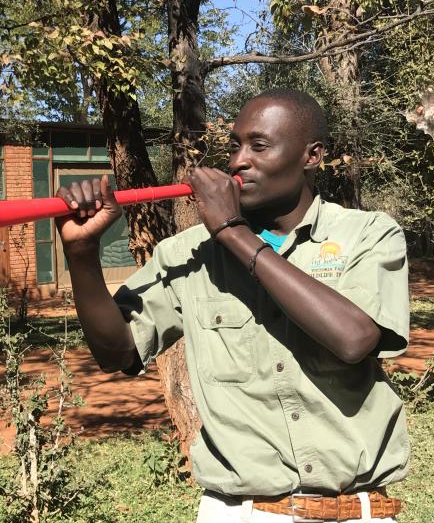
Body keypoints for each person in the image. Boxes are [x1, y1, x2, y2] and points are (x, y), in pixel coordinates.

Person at [55, 88, 410, 522]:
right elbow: (117, 352)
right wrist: (81, 255)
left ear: (312, 156)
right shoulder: (184, 253)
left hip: (357, 511)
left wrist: (231, 231)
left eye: (259, 146)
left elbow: (355, 339)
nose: (239, 161)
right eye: (235, 146)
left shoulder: (369, 234)